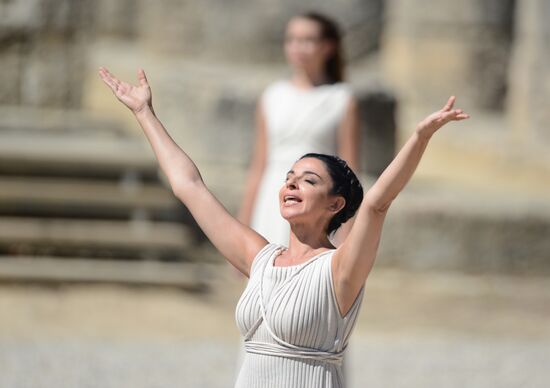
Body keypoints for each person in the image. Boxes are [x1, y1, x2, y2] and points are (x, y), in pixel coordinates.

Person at [98, 66, 469, 388]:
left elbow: (376, 203)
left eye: (308, 180)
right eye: (289, 177)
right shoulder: (259, 259)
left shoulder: (340, 270)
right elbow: (189, 187)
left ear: (335, 204)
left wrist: (420, 138)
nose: (290, 184)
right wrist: (145, 113)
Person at [238, 12, 361, 246]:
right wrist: (243, 225)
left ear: (327, 47)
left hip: (317, 200)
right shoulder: (272, 95)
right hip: (272, 197)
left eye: (307, 40)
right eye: (292, 39)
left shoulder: (342, 99)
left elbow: (350, 170)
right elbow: (259, 164)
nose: (298, 47)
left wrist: (348, 230)